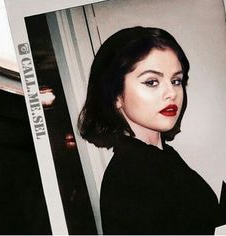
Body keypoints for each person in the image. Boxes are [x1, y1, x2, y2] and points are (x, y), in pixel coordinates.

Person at [77, 26, 222, 234]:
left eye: (176, 80)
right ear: (116, 96)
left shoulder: (160, 156)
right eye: (152, 82)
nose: (171, 93)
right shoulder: (130, 177)